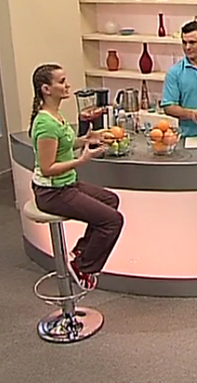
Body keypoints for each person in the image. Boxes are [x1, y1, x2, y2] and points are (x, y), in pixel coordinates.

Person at [29, 63, 124, 290]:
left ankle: (81, 251)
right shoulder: (46, 124)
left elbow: (63, 145)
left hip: (67, 184)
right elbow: (47, 168)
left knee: (110, 200)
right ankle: (84, 267)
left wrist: (87, 139)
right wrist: (82, 160)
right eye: (61, 82)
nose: (67, 85)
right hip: (52, 192)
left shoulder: (56, 115)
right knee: (113, 221)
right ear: (46, 89)